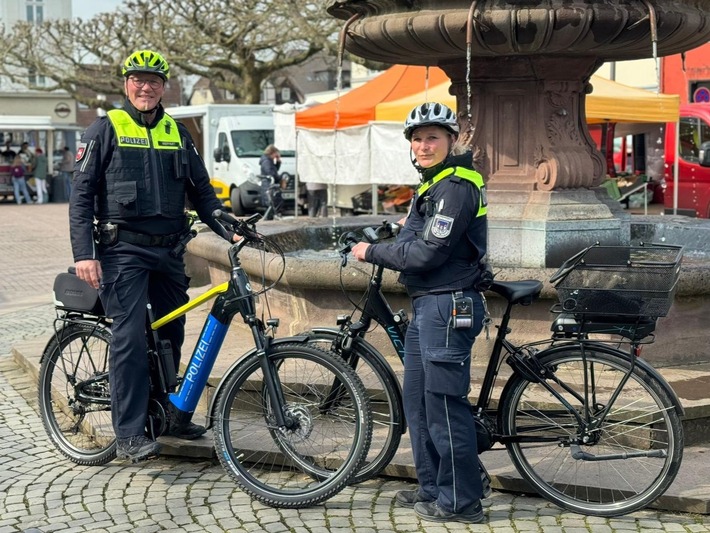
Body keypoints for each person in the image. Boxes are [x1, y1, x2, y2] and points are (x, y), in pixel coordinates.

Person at [69, 49, 240, 464]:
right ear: (126, 84)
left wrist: (232, 229)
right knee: (129, 337)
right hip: (122, 251)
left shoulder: (178, 133)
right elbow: (81, 197)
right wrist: (83, 255)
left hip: (169, 251)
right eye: (138, 80)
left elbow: (202, 193)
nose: (146, 87)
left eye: (154, 81)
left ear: (164, 87)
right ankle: (128, 433)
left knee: (172, 331)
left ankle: (171, 415)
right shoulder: (104, 128)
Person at [351, 102, 489, 524]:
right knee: (418, 403)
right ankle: (432, 488)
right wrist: (387, 237)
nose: (423, 145)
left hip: (448, 304)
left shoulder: (457, 185)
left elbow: (429, 252)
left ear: (452, 140)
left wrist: (370, 251)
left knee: (445, 406)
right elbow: (415, 236)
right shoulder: (432, 185)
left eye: (432, 137)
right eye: (417, 138)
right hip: (427, 304)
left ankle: (462, 501)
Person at [258, 144, 284, 219]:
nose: (277, 155)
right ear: (272, 153)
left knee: (272, 204)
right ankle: (272, 217)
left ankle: (271, 217)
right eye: (276, 154)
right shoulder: (266, 161)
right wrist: (280, 178)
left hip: (269, 184)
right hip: (269, 185)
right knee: (272, 202)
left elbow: (274, 170)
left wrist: (278, 162)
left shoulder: (269, 160)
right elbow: (271, 173)